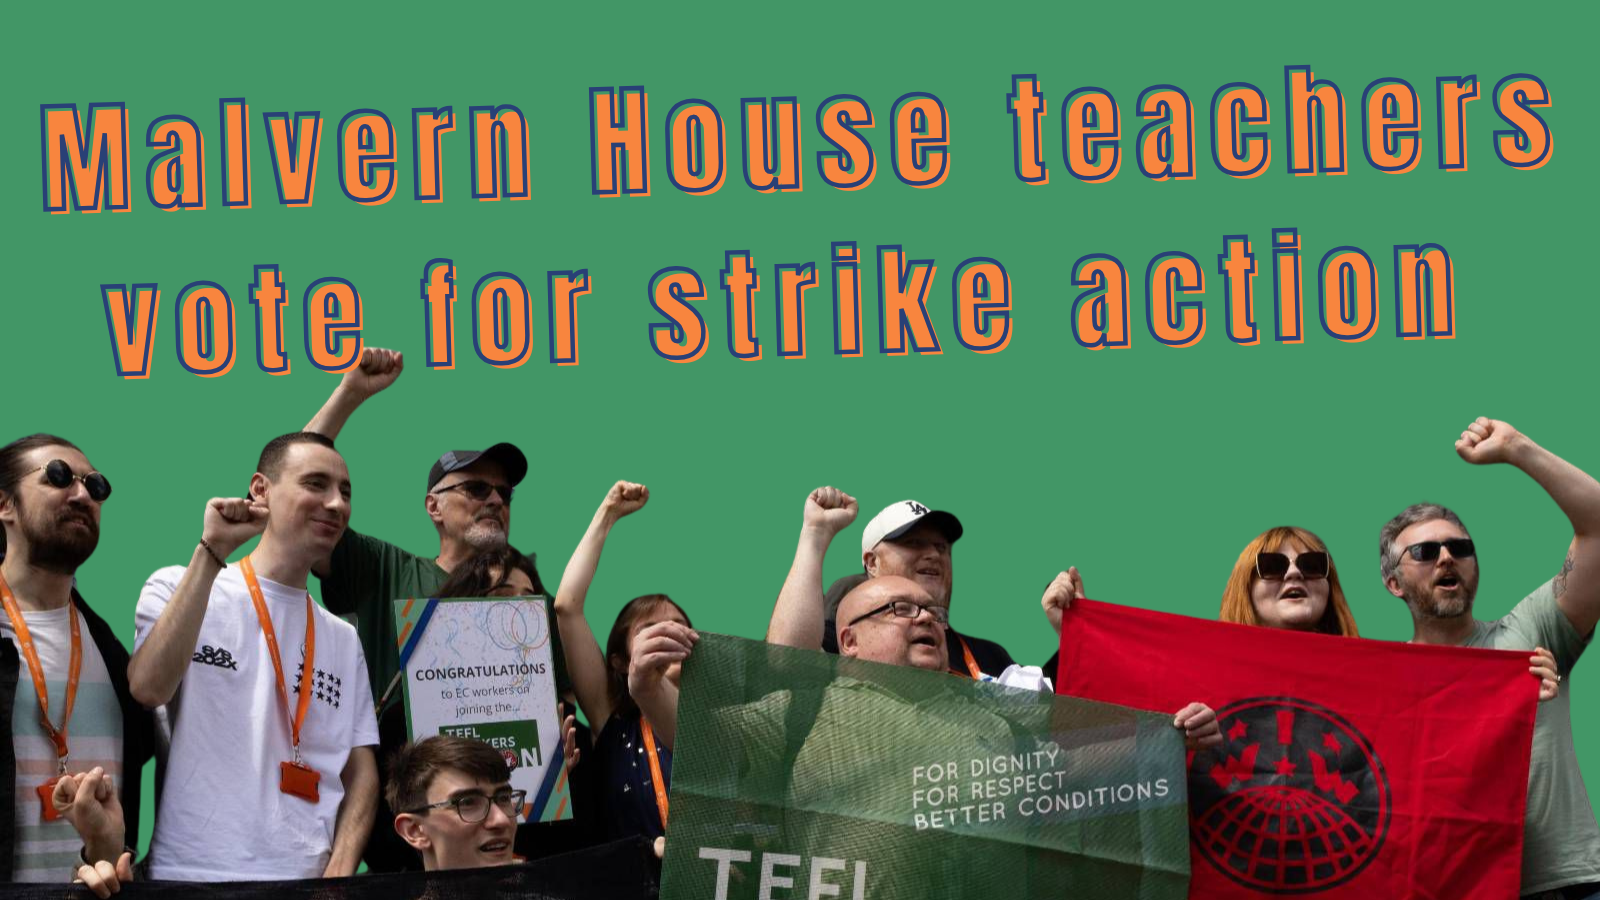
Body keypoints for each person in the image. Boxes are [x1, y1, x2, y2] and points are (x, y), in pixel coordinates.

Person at [127, 432, 379, 881]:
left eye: (345, 492)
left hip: (307, 879)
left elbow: (361, 769)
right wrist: (212, 552)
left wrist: (339, 871)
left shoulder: (342, 636)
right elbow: (148, 687)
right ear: (260, 489)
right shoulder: (178, 586)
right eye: (316, 484)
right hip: (193, 875)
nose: (337, 504)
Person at [1380, 417, 1600, 899]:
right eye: (1424, 550)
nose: (1445, 558)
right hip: (1452, 888)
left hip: (1567, 884)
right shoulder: (1382, 681)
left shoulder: (1529, 634)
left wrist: (1518, 448)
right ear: (1393, 583)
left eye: (1459, 548)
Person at [299, 348, 545, 718]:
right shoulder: (385, 571)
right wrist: (349, 393)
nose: (495, 499)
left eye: (505, 493)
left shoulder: (527, 596)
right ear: (434, 507)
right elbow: (295, 494)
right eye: (477, 489)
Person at [366, 546, 596, 871]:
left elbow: (586, 842)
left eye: (529, 598)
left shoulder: (563, 728)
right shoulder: (402, 722)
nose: (519, 607)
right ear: (463, 605)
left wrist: (551, 783)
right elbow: (382, 845)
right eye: (503, 594)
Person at [0, 435, 151, 885]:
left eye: (96, 486)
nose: (83, 495)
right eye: (59, 477)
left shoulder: (112, 653)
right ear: (4, 505)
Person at [553, 480, 694, 843]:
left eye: (679, 626)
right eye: (651, 629)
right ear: (619, 661)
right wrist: (607, 515)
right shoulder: (610, 719)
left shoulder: (717, 722)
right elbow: (567, 606)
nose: (669, 634)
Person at [769, 488, 1033, 677]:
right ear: (872, 563)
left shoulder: (989, 656)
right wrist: (816, 533)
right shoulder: (847, 634)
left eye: (941, 547)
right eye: (913, 543)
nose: (933, 554)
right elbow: (786, 662)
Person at [388, 735, 524, 870]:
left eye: (504, 798)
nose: (501, 819)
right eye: (468, 802)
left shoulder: (542, 888)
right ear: (414, 831)